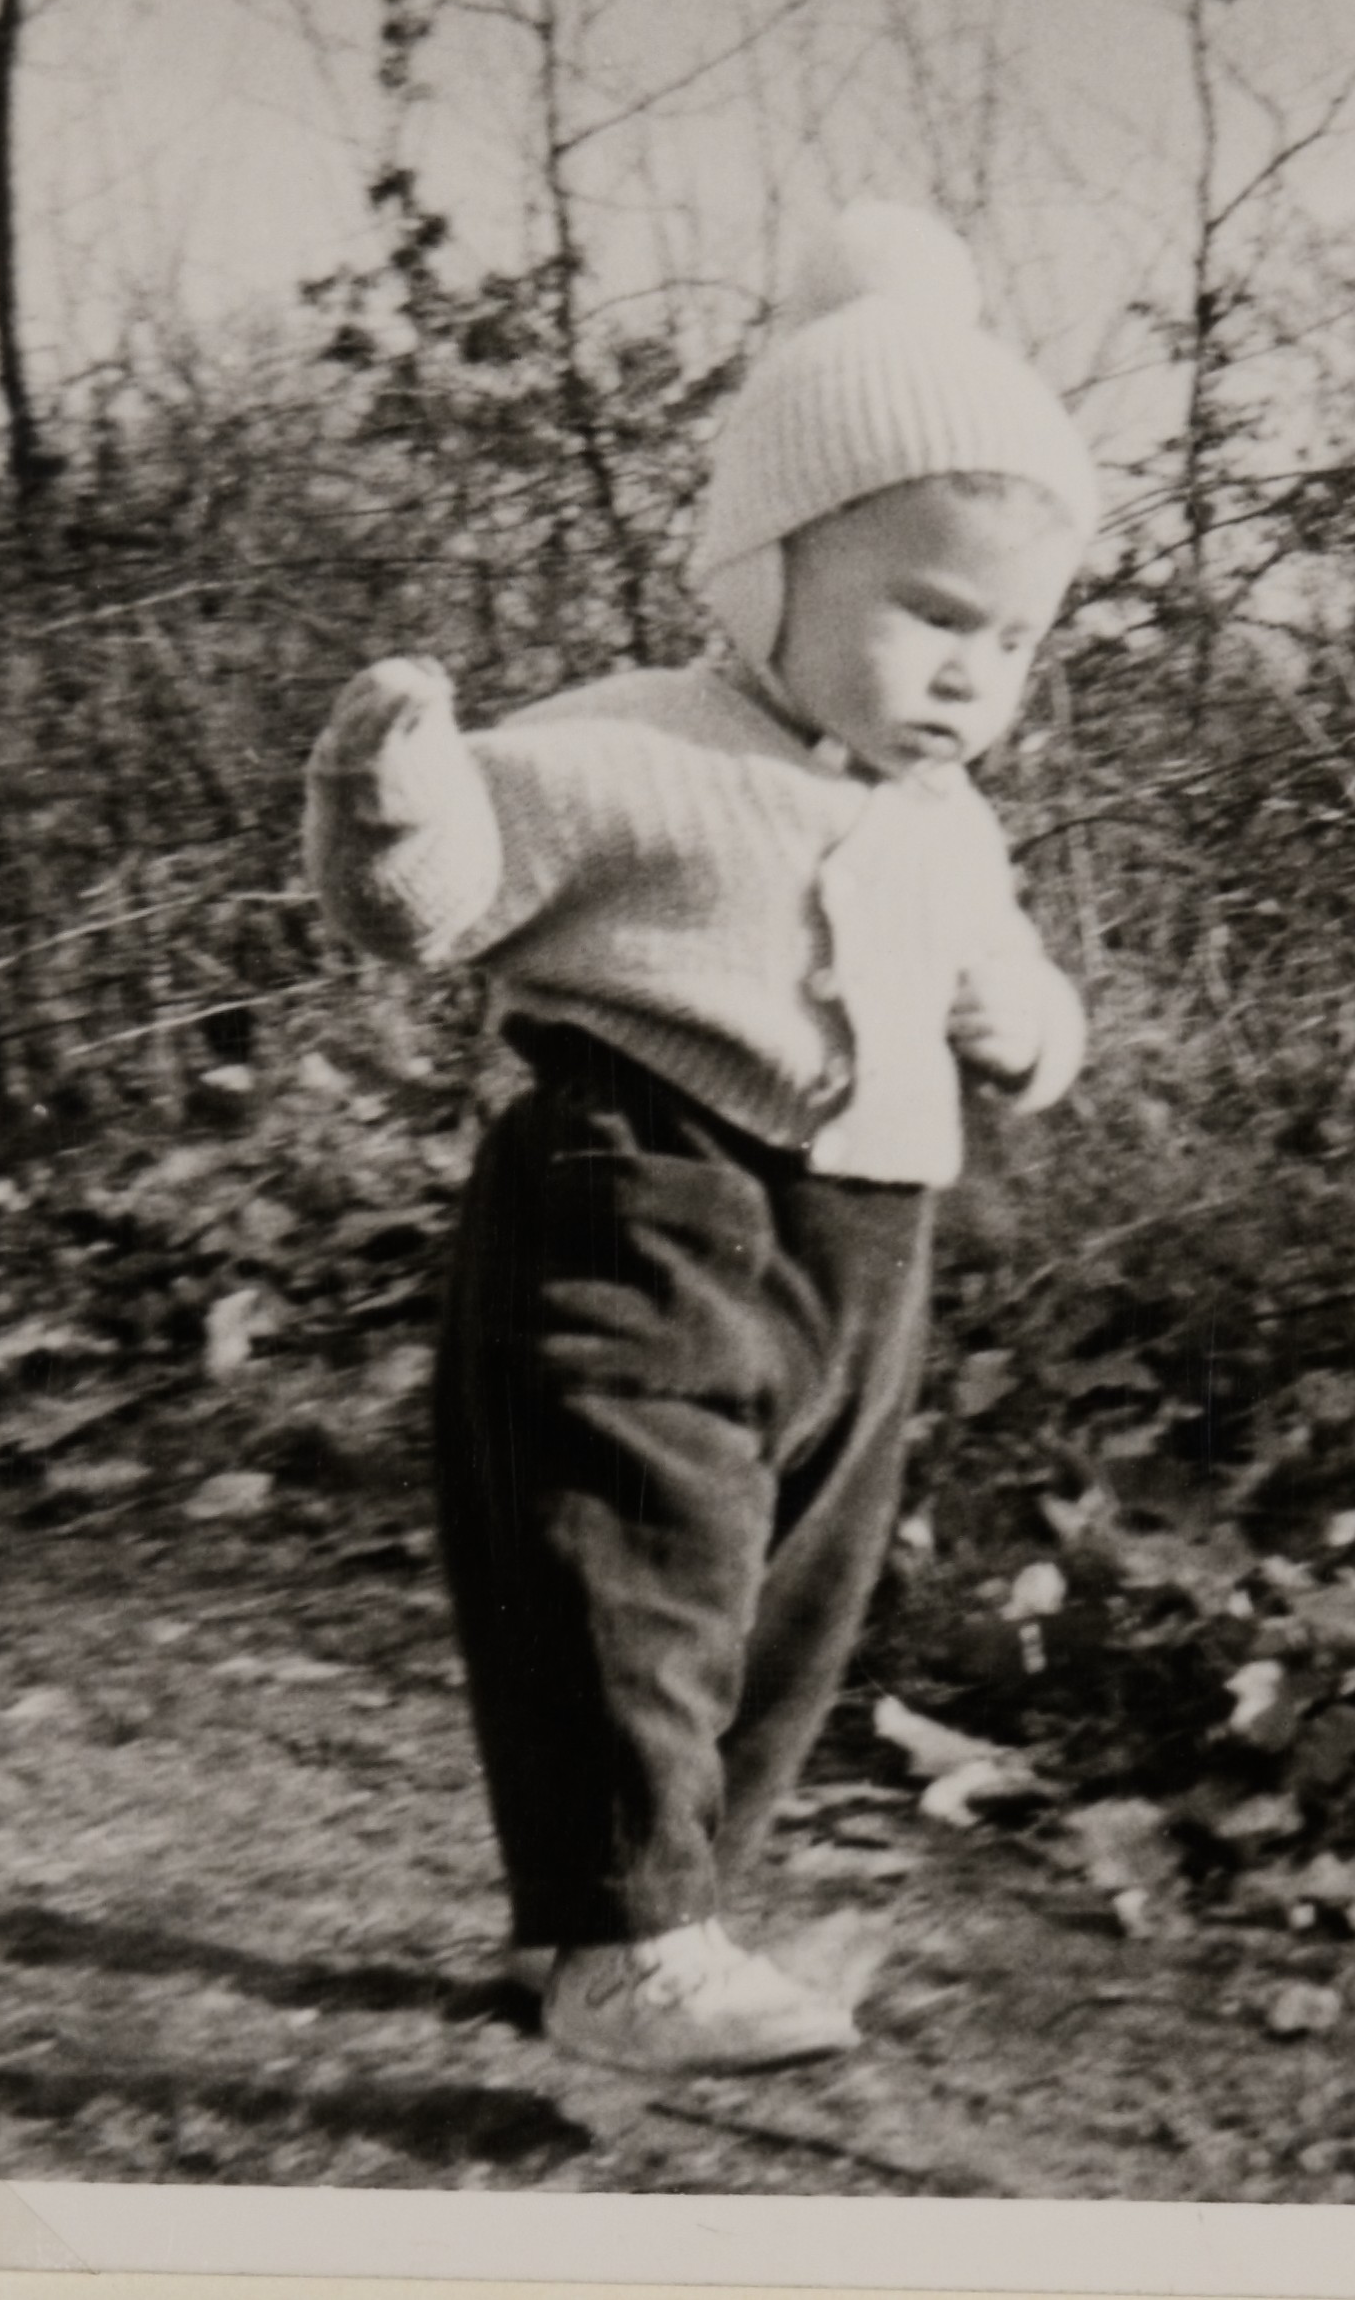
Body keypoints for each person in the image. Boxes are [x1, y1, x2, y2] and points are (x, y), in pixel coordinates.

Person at [302, 203, 1098, 2074]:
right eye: (929, 614)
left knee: (784, 1594)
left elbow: (1013, 970)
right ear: (766, 572)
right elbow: (440, 893)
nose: (973, 674)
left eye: (1014, 637)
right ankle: (633, 1941)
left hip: (865, 1249)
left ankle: (624, 1913)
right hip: (637, 1189)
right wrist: (391, 802)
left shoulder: (956, 824)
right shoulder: (636, 744)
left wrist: (1033, 1030)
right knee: (627, 1559)